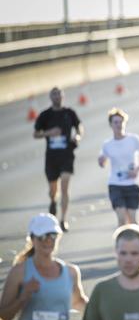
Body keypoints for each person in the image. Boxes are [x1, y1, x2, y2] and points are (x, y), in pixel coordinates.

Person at [0, 213, 87, 320]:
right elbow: (2, 317)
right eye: (42, 236)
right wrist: (22, 298)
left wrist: (109, 314)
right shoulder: (19, 272)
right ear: (32, 239)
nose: (48, 240)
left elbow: (79, 302)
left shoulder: (71, 272)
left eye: (52, 235)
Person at [33, 87, 83, 232]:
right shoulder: (45, 115)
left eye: (59, 94)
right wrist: (49, 133)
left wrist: (78, 136)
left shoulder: (69, 113)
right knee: (53, 189)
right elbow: (35, 134)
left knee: (65, 187)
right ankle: (53, 200)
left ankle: (63, 220)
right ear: (50, 97)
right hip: (52, 157)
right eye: (54, 95)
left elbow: (79, 127)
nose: (57, 97)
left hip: (67, 154)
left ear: (63, 96)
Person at [98, 108, 139, 226]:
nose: (118, 125)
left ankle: (138, 243)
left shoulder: (133, 139)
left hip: (132, 184)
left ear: (125, 123)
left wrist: (137, 170)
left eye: (121, 122)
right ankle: (121, 244)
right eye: (115, 122)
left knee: (132, 221)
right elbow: (102, 162)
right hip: (115, 184)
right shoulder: (107, 144)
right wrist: (101, 161)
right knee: (121, 218)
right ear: (111, 125)